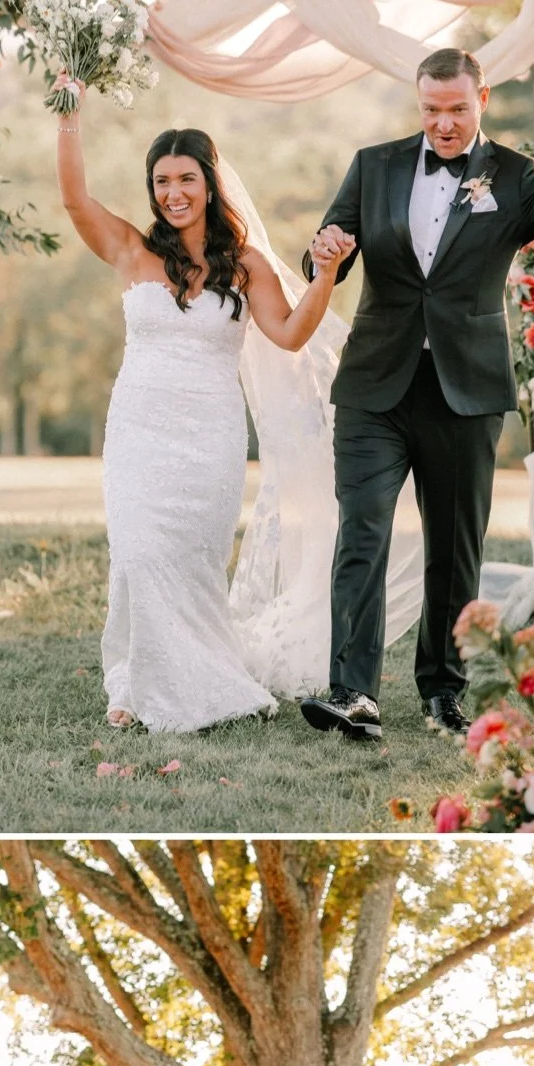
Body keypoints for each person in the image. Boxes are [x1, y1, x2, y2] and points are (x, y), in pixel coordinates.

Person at [294, 47, 534, 744]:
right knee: (363, 532)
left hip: (466, 390)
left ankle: (443, 691)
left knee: (455, 547)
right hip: (376, 383)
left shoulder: (518, 177)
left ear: (484, 99)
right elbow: (322, 252)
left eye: (456, 109)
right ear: (419, 104)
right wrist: (328, 251)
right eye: (431, 109)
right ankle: (352, 693)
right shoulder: (374, 165)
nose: (442, 123)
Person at [57, 107, 338, 735]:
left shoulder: (246, 266)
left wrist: (325, 278)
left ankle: (189, 677)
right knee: (137, 551)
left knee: (191, 560)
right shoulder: (131, 249)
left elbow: (291, 335)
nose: (173, 193)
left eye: (186, 179)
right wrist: (71, 112)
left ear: (210, 184)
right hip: (137, 430)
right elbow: (74, 199)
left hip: (209, 436)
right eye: (161, 181)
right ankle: (135, 679)